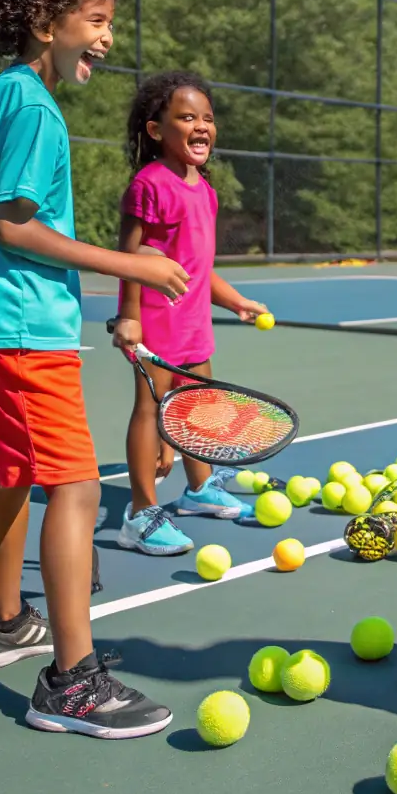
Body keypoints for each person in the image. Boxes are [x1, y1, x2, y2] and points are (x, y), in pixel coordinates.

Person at [0, 0, 189, 739]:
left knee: (11, 471)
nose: (108, 36)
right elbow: (14, 225)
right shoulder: (36, 109)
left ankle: (5, 620)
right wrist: (132, 266)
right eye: (96, 18)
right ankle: (71, 683)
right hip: (19, 326)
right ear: (47, 21)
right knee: (77, 488)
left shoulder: (6, 93)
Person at [111, 71, 270, 556]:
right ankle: (140, 514)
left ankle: (198, 491)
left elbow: (199, 269)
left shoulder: (205, 189)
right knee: (150, 411)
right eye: (187, 117)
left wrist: (235, 299)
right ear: (157, 130)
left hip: (195, 322)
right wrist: (129, 317)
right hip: (156, 323)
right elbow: (128, 258)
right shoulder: (149, 184)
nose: (201, 126)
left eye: (207, 118)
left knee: (199, 408)